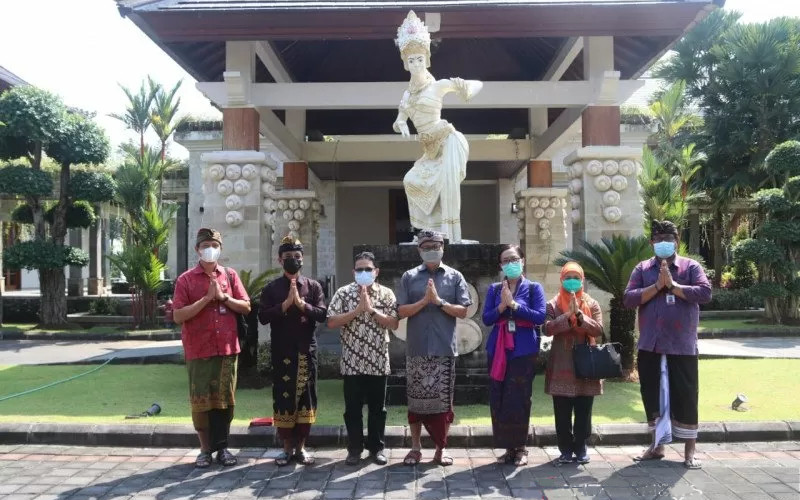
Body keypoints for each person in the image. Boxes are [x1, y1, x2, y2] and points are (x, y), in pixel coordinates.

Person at [623, 220, 712, 470]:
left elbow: (705, 293)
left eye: (668, 238)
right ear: (652, 242)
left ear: (677, 240)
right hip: (650, 343)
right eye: (658, 238)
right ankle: (656, 446)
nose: (663, 242)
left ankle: (690, 452)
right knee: (651, 395)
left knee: (686, 396)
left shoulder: (691, 267)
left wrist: (673, 286)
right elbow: (628, 298)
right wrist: (656, 287)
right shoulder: (642, 268)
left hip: (681, 344)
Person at [392, 11, 483, 243]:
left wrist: (465, 89)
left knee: (445, 183)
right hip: (429, 150)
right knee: (410, 180)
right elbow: (400, 118)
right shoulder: (407, 94)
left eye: (420, 59)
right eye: (411, 60)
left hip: (447, 141)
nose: (415, 64)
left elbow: (474, 86)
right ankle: (426, 233)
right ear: (405, 63)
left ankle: (450, 235)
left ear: (427, 59)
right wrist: (401, 124)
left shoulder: (438, 86)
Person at [172, 228, 251, 468]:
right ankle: (205, 450)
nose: (210, 249)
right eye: (206, 244)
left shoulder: (230, 275)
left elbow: (246, 306)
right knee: (201, 401)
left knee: (224, 400)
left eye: (214, 245)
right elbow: (178, 315)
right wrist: (206, 299)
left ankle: (223, 448)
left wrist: (224, 298)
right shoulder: (186, 279)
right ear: (197, 249)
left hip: (227, 349)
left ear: (220, 248)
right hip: (199, 349)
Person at [397, 229, 472, 466]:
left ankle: (441, 449)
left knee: (444, 405)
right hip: (417, 348)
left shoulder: (455, 276)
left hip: (443, 350)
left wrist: (439, 302)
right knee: (415, 403)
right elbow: (401, 311)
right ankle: (416, 447)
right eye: (426, 246)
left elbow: (463, 310)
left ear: (443, 247)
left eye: (435, 245)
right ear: (419, 249)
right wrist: (423, 301)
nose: (431, 250)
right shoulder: (409, 277)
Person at [259, 236, 327, 466]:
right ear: (280, 260)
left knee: (306, 398)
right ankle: (286, 448)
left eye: (297, 257)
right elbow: (262, 317)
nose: (293, 260)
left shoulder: (314, 286)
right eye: (288, 257)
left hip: (306, 351)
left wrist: (301, 305)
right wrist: (285, 305)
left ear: (302, 259)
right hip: (282, 353)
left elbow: (322, 314)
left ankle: (302, 447)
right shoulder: (271, 288)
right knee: (283, 398)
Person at [327, 251, 399, 466]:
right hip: (352, 362)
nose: (364, 272)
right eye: (360, 269)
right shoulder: (343, 293)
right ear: (353, 272)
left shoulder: (386, 294)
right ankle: (354, 449)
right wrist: (358, 311)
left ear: (376, 272)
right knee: (353, 410)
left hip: (378, 361)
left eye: (368, 269)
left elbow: (394, 323)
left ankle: (376, 449)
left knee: (378, 409)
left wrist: (371, 310)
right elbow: (331, 322)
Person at [482, 244, 546, 466]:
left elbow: (539, 316)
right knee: (500, 396)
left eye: (514, 259)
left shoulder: (534, 287)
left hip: (523, 349)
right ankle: (507, 446)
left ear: (522, 261)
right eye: (505, 261)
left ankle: (520, 447)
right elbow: (487, 319)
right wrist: (502, 306)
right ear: (500, 265)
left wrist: (514, 305)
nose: (510, 264)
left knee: (519, 397)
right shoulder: (493, 289)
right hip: (498, 349)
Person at [543, 262, 604, 465]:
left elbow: (598, 330)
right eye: (568, 277)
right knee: (562, 412)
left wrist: (579, 316)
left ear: (582, 280)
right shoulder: (552, 304)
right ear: (561, 280)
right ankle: (565, 450)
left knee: (584, 410)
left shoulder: (592, 303)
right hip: (561, 363)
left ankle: (581, 446)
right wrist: (567, 316)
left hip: (586, 364)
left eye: (576, 277)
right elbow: (547, 329)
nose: (572, 281)